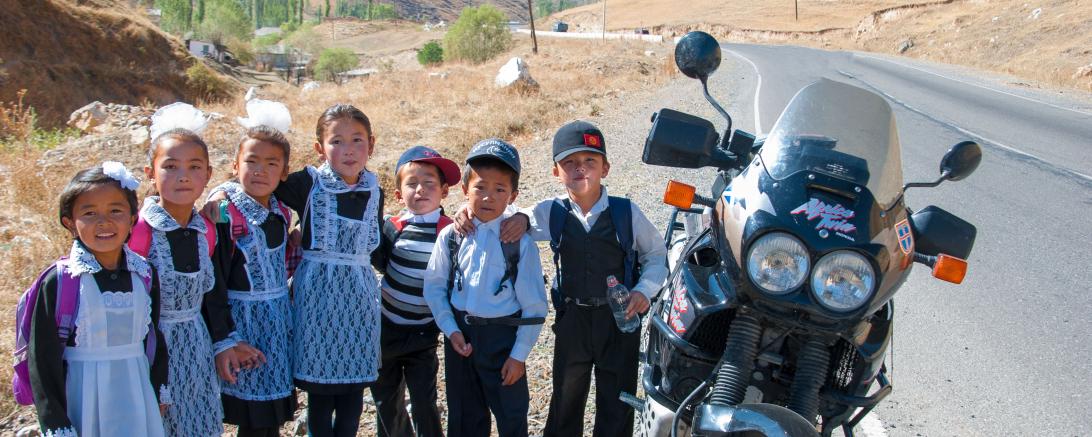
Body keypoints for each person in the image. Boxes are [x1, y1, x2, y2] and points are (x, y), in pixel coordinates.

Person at [455, 121, 669, 437]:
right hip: (573, 320)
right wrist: (468, 210)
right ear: (556, 172)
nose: (579, 169)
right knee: (566, 395)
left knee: (616, 398)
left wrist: (643, 290)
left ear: (605, 168)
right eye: (569, 162)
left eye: (589, 161)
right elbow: (502, 212)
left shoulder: (627, 213)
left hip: (619, 320)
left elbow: (656, 255)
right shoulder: (549, 212)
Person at [137, 103, 255, 437]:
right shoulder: (140, 231)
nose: (183, 176)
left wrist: (223, 345)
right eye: (170, 166)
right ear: (150, 172)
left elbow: (210, 298)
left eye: (193, 166)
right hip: (150, 352)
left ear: (207, 174)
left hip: (196, 349)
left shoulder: (206, 230)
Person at [267, 104, 385, 437]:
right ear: (320, 148)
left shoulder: (374, 190)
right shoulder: (309, 184)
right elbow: (261, 182)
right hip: (317, 303)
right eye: (336, 141)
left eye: (357, 140)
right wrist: (222, 192)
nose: (348, 150)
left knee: (352, 395)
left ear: (371, 145)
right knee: (320, 396)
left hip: (359, 304)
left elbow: (374, 249)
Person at [28, 162, 169, 436]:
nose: (104, 222)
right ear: (70, 222)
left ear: (132, 219)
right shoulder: (61, 280)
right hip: (82, 398)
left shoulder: (144, 274)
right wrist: (55, 422)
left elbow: (154, 337)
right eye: (89, 213)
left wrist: (158, 387)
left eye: (115, 210)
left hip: (136, 393)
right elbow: (42, 361)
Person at [423, 139, 549, 437]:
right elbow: (435, 286)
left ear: (513, 196)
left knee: (511, 416)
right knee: (465, 417)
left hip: (502, 341)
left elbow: (534, 306)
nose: (488, 197)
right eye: (480, 187)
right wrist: (450, 329)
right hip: (461, 340)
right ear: (465, 189)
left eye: (499, 189)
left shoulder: (520, 242)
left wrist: (518, 356)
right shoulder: (451, 237)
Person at [209, 102, 298, 437]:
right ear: (235, 165)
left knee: (269, 419)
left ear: (284, 172)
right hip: (242, 327)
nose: (260, 170)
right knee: (252, 419)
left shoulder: (280, 212)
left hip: (276, 325)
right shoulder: (224, 211)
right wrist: (226, 339)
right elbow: (214, 280)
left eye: (271, 163)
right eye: (251, 161)